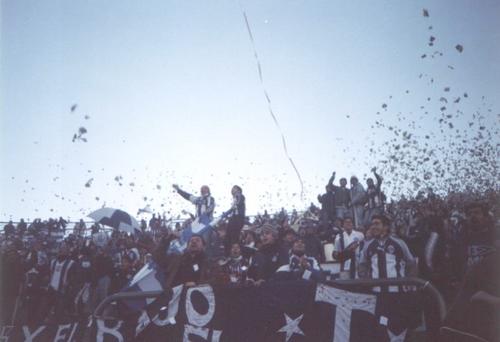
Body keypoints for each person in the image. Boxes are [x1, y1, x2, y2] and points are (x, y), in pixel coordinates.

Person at [358, 215, 417, 292]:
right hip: (376, 292)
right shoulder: (368, 245)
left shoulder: (399, 243)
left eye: (376, 224)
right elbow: (362, 265)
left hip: (397, 291)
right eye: (372, 224)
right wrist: (366, 282)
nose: (373, 227)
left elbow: (411, 263)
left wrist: (409, 282)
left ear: (385, 226)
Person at [223, 185, 246, 252]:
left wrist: (233, 207)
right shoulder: (235, 198)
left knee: (234, 236)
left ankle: (235, 252)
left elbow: (238, 204)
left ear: (238, 190)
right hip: (233, 218)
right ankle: (228, 252)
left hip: (238, 218)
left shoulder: (240, 196)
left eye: (234, 189)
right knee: (228, 236)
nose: (232, 190)